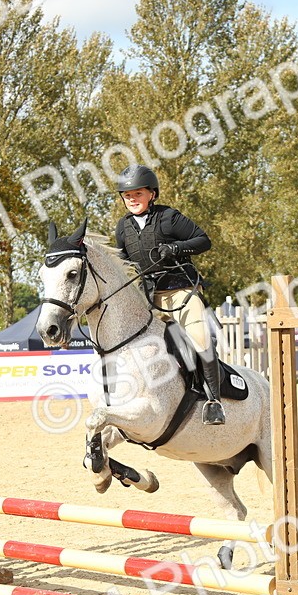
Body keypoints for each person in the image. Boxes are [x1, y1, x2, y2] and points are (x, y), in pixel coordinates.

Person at [113, 164, 224, 425]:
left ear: (152, 194)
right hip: (149, 297)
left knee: (199, 338)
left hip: (181, 290)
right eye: (127, 196)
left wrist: (175, 247)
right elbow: (123, 263)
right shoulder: (123, 227)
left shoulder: (169, 217)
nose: (132, 200)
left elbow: (203, 240)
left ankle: (214, 401)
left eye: (138, 194)